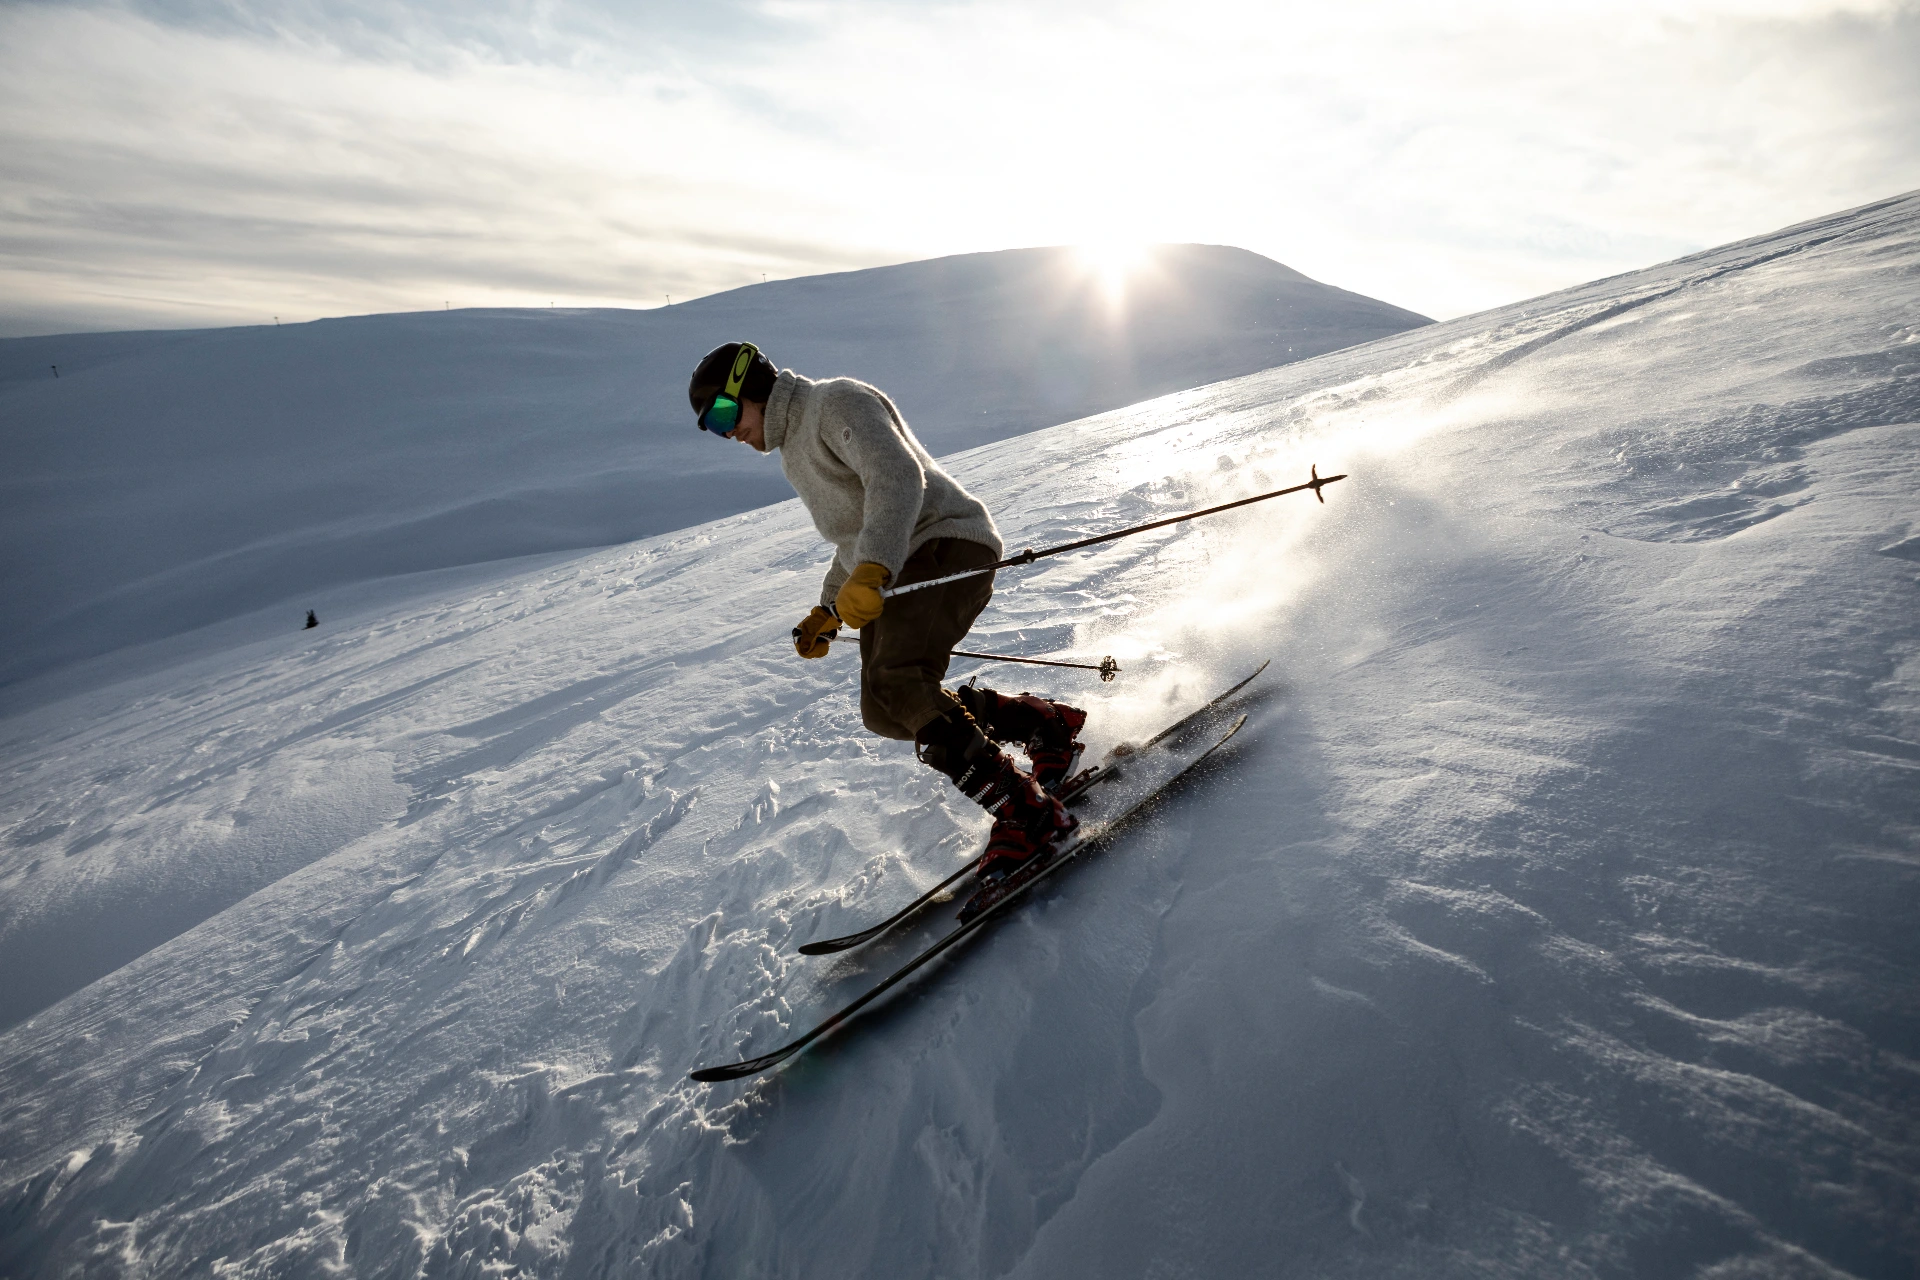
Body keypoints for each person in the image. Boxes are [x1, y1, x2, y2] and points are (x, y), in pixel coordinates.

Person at [686, 341, 1086, 885]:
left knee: (897, 679)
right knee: (884, 708)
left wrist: (874, 569)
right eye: (712, 427)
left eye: (725, 414)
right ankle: (1041, 725)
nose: (727, 432)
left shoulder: (834, 403)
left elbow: (897, 477)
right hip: (903, 565)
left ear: (752, 388)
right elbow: (853, 538)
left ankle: (1030, 814)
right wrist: (827, 609)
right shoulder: (794, 452)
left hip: (945, 543)